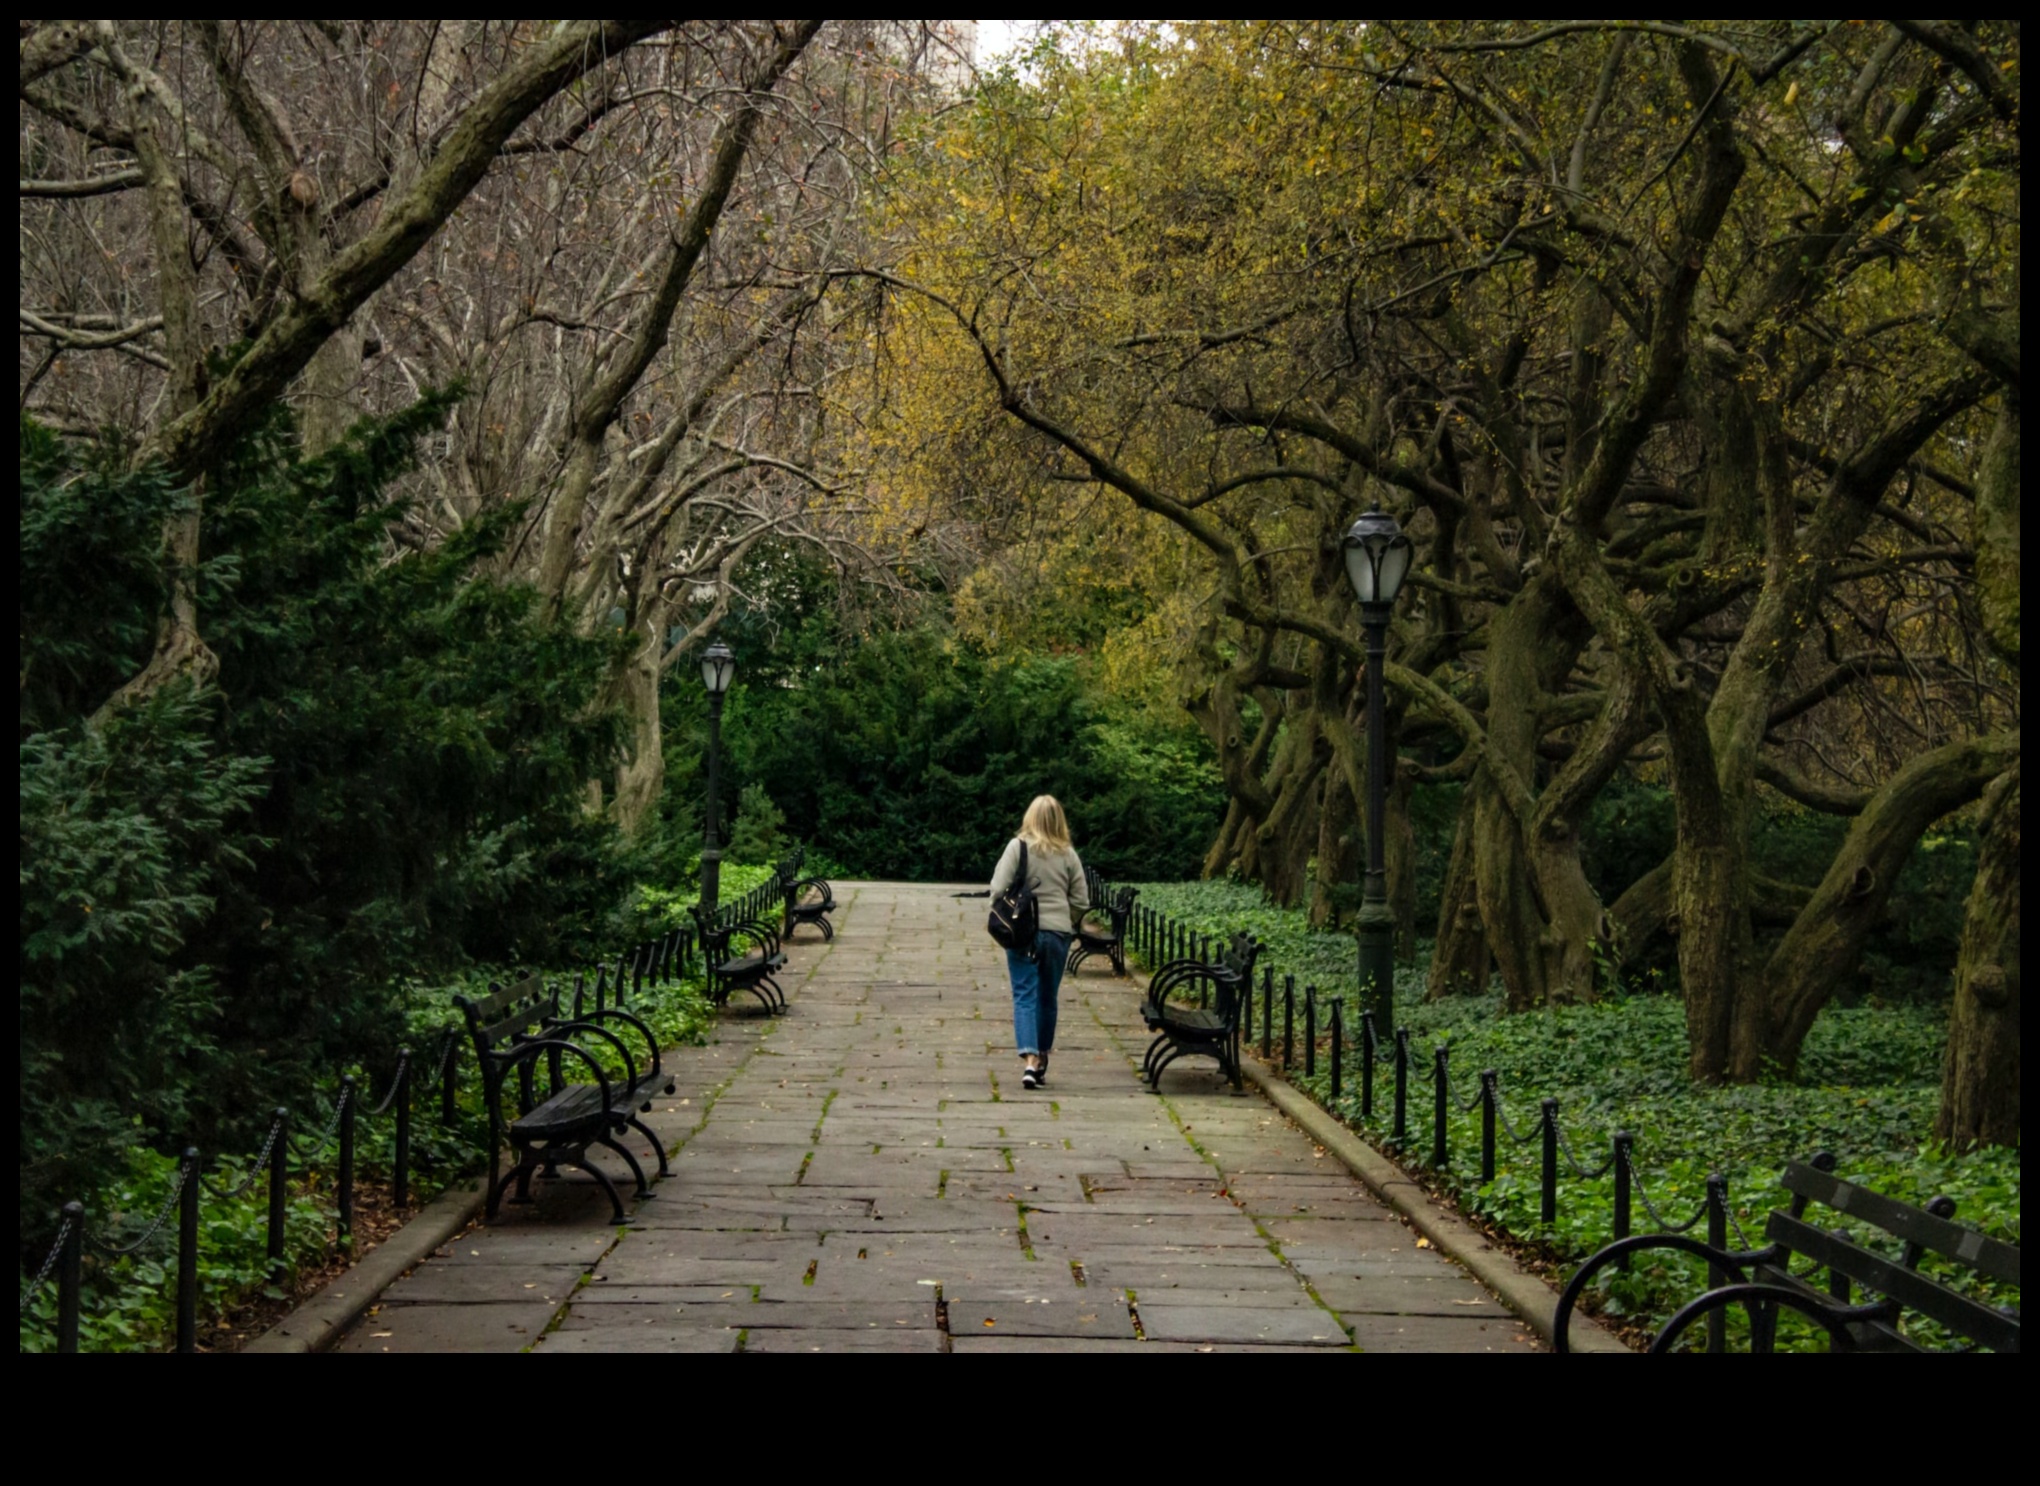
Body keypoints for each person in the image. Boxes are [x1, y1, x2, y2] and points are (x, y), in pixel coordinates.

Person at [990, 795, 1090, 1090]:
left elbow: (997, 888)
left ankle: (1030, 1061)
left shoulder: (1017, 847)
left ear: (1030, 818)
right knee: (1048, 997)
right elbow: (1081, 901)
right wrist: (1065, 920)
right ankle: (1043, 1057)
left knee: (1024, 994)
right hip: (1057, 933)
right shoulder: (1069, 855)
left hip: (1023, 932)